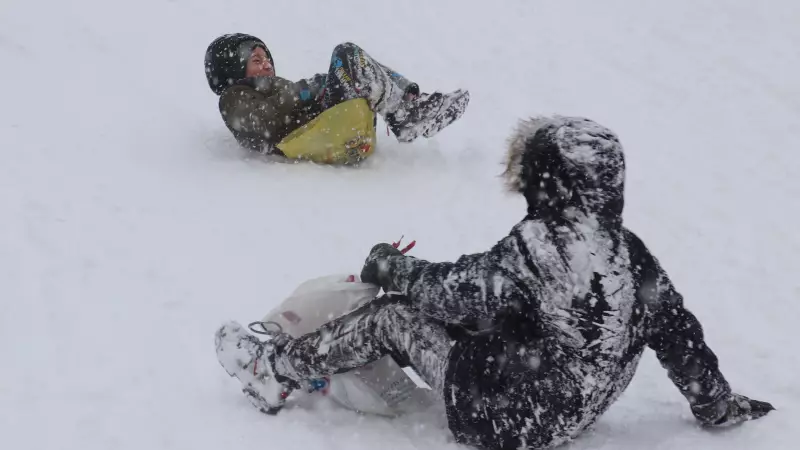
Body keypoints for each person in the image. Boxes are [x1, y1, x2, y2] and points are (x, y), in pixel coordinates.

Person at [214, 115, 774, 449]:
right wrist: (718, 406)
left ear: (548, 180)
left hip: (506, 419)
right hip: (572, 410)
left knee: (396, 316)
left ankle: (276, 371)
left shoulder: (539, 248)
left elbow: (451, 290)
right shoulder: (631, 254)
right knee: (489, 314)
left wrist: (391, 267)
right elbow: (681, 338)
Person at [204, 33, 470, 155]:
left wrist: (318, 87)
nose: (267, 64)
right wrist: (306, 91)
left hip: (329, 125)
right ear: (233, 68)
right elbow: (259, 125)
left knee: (354, 62)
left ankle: (411, 102)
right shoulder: (233, 96)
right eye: (257, 60)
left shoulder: (274, 86)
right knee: (346, 53)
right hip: (316, 132)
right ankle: (404, 116)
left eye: (267, 58)